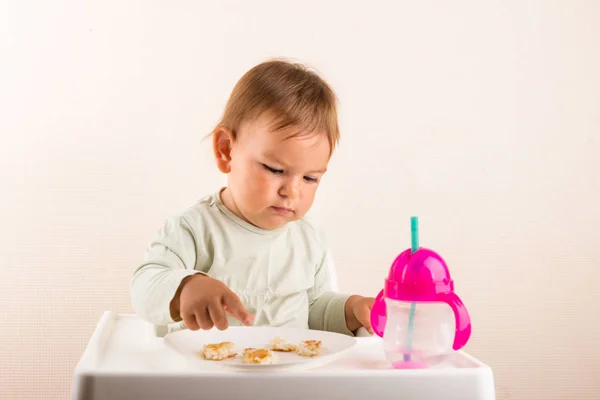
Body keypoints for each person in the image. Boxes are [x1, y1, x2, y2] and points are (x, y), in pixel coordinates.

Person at [130, 59, 375, 336]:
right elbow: (144, 287)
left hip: (284, 376)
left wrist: (352, 310)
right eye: (275, 170)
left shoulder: (307, 237)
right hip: (207, 375)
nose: (292, 191)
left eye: (310, 178)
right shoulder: (194, 229)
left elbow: (314, 309)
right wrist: (186, 286)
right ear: (226, 151)